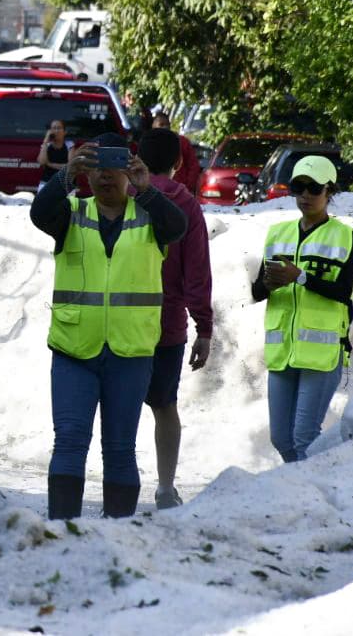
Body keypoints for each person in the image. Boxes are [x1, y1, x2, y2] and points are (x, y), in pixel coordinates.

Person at [30, 133, 187, 519]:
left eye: (114, 166)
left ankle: (116, 538)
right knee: (69, 441)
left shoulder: (149, 215)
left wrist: (147, 188)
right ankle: (62, 534)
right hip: (74, 349)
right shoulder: (70, 212)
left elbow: (177, 225)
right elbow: (39, 212)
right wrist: (66, 172)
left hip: (129, 352)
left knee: (119, 448)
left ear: (129, 169)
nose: (104, 176)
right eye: (96, 166)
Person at [251, 155, 353, 462]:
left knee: (304, 436)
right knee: (280, 437)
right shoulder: (277, 233)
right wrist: (271, 284)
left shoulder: (344, 236)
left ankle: (312, 499)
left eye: (314, 188)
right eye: (299, 187)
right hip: (283, 348)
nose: (306, 196)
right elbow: (257, 291)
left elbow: (343, 291)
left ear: (329, 192)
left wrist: (300, 276)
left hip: (321, 353)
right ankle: (303, 489)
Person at [137, 128, 213, 509]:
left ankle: (120, 484)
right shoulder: (186, 204)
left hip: (120, 321)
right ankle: (165, 489)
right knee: (164, 406)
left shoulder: (122, 196)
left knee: (121, 407)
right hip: (167, 326)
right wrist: (204, 327)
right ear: (179, 162)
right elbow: (196, 272)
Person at [151, 111, 202, 195]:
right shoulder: (148, 145)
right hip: (157, 193)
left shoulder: (182, 141)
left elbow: (193, 165)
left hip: (180, 192)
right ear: (153, 126)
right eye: (161, 124)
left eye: (167, 124)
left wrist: (188, 187)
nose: (165, 127)